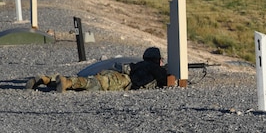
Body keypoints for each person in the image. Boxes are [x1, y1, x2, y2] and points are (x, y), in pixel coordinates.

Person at [26, 47, 169, 92]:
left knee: (91, 80)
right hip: (123, 80)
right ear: (157, 59)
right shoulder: (153, 67)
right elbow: (164, 79)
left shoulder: (140, 64)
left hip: (118, 74)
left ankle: (46, 79)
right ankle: (67, 82)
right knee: (93, 83)